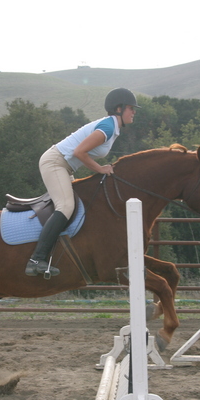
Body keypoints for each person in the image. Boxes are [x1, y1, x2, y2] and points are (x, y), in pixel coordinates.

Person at [25, 87, 139, 277]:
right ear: (119, 109)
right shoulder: (108, 128)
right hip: (55, 162)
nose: (134, 112)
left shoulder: (112, 127)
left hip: (64, 166)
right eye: (131, 108)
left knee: (79, 206)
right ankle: (36, 260)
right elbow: (79, 152)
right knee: (66, 206)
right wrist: (100, 169)